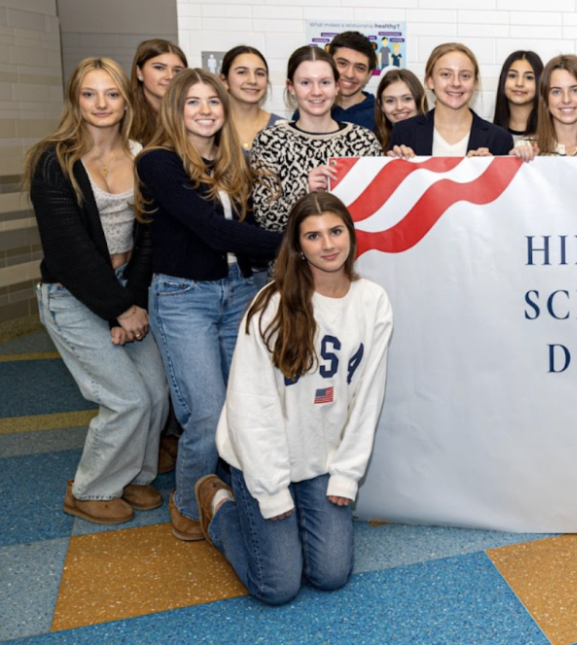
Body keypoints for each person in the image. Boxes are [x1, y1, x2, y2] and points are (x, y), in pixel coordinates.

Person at [195, 192, 393, 606]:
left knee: (331, 575)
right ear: (298, 246)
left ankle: (296, 515)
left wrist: (346, 474)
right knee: (277, 586)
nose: (328, 245)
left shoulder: (372, 301)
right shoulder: (271, 306)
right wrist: (270, 490)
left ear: (351, 236)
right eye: (313, 236)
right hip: (265, 459)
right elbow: (252, 408)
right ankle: (221, 508)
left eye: (336, 231)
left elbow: (367, 398)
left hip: (322, 459)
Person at [135, 68, 284, 540]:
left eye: (213, 102)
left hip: (238, 290)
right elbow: (213, 230)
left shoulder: (232, 160)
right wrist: (296, 242)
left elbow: (247, 231)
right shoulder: (158, 162)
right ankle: (186, 499)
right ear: (175, 109)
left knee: (240, 404)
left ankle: (226, 486)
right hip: (183, 298)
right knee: (205, 410)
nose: (205, 111)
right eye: (192, 102)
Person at [27, 57, 169, 525]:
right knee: (126, 397)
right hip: (72, 295)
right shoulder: (53, 160)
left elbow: (150, 239)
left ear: (126, 100)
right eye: (90, 94)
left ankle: (135, 476)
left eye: (111, 94)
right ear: (75, 99)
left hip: (127, 291)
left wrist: (136, 302)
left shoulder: (142, 156)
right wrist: (118, 311)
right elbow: (70, 253)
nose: (101, 104)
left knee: (156, 390)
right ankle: (90, 487)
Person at [251, 46, 382, 234]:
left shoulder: (363, 140)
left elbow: (378, 209)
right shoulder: (269, 141)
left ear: (337, 86)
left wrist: (401, 167)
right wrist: (305, 191)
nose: (316, 92)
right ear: (291, 87)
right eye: (305, 83)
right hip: (293, 261)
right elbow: (266, 218)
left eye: (325, 82)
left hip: (354, 260)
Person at [387, 43, 514, 158]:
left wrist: (490, 171)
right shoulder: (403, 132)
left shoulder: (499, 138)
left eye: (465, 76)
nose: (456, 83)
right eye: (446, 74)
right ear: (430, 81)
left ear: (475, 83)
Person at [220, 46, 286, 153]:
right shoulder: (212, 127)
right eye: (242, 72)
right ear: (224, 81)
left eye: (260, 73)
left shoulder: (283, 128)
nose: (252, 80)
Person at [313, 30, 378, 131]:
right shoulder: (311, 108)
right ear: (329, 64)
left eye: (360, 68)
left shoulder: (381, 114)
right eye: (342, 63)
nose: (350, 74)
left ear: (369, 74)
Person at [129, 39, 187, 145]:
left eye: (177, 71)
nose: (170, 76)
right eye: (159, 68)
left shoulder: (191, 116)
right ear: (139, 72)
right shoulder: (125, 118)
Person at [492, 50, 544, 142]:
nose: (519, 83)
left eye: (529, 77)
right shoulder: (490, 136)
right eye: (512, 76)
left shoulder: (552, 136)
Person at [373, 68, 427, 146]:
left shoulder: (436, 138)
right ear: (381, 105)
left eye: (407, 99)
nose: (399, 107)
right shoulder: (371, 142)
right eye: (390, 101)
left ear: (419, 101)